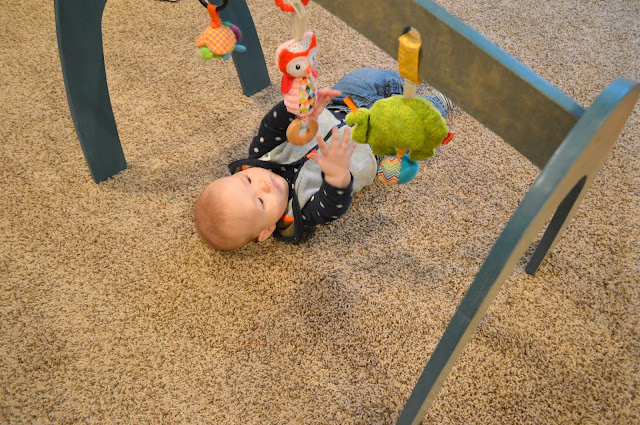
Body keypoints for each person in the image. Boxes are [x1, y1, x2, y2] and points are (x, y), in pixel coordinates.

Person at [194, 68, 456, 251]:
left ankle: (405, 79)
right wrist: (337, 176)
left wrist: (298, 108)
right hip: (375, 143)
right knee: (417, 122)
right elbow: (332, 207)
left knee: (364, 77)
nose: (263, 185)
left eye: (248, 181)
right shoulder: (300, 212)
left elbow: (273, 125)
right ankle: (441, 100)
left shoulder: (261, 155)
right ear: (266, 231)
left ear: (240, 172)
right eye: (261, 202)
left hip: (344, 104)